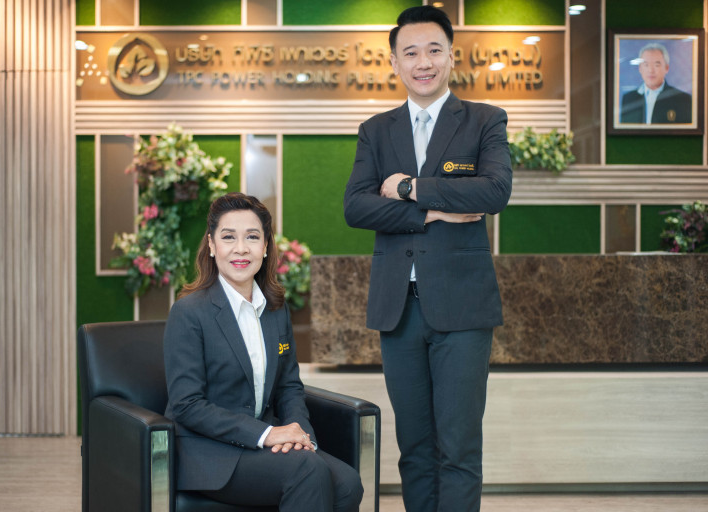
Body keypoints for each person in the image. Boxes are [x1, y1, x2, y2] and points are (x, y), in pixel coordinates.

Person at [343, 6, 511, 512]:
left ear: (451, 56)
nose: (423, 62)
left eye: (434, 50)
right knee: (414, 449)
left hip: (463, 308)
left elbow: (493, 191)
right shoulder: (376, 130)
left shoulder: (484, 120)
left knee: (458, 448)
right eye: (411, 53)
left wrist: (409, 188)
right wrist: (434, 211)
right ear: (394, 62)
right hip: (399, 310)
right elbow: (356, 207)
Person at [163, 192, 363, 512]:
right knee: (307, 471)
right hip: (210, 452)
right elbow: (187, 406)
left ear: (266, 246)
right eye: (229, 237)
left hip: (263, 444)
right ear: (212, 245)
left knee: (348, 484)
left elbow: (289, 387)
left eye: (252, 237)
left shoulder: (275, 309)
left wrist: (300, 436)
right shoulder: (189, 312)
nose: (241, 248)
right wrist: (267, 434)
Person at [620, 42, 692, 124]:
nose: (651, 70)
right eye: (646, 65)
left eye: (656, 65)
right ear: (640, 68)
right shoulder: (629, 99)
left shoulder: (682, 99)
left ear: (666, 68)